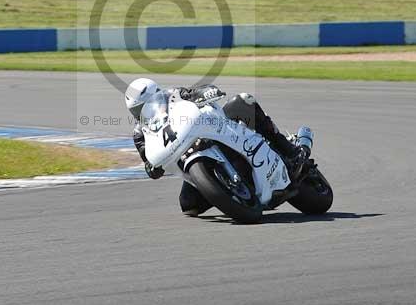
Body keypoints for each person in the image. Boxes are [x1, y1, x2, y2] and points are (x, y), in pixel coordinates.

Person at [125, 77, 310, 216]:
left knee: (243, 101)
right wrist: (151, 166)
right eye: (136, 110)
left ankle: (288, 148)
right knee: (188, 205)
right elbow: (149, 162)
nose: (141, 113)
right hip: (189, 158)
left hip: (215, 132)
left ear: (157, 94)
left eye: (143, 106)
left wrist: (207, 92)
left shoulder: (174, 96)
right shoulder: (140, 133)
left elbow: (195, 92)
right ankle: (228, 190)